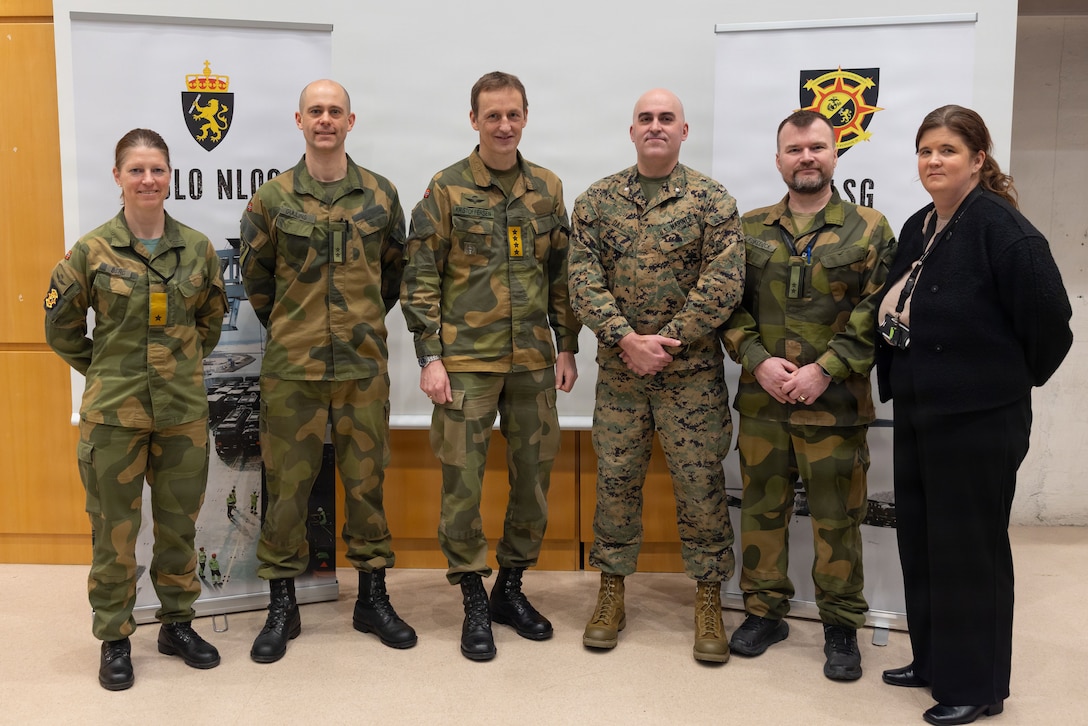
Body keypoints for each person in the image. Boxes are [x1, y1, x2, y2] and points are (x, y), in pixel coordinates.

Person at [875, 105, 1072, 726]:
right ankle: (935, 661)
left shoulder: (1003, 230)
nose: (934, 161)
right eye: (926, 150)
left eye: (948, 151)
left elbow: (1051, 328)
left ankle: (978, 685)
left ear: (978, 160)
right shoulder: (920, 224)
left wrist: (1001, 384)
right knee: (924, 543)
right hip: (920, 409)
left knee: (969, 551)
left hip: (978, 418)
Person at [401, 71, 580, 661]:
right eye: (492, 115)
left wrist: (568, 344)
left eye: (513, 115)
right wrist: (430, 356)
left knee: (533, 480)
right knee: (462, 484)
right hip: (465, 363)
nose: (504, 126)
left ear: (525, 117)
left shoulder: (547, 188)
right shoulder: (446, 189)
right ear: (473, 120)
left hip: (532, 359)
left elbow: (563, 275)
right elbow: (420, 278)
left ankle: (510, 588)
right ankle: (473, 595)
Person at [43, 128, 227, 691]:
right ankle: (116, 638)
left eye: (158, 170)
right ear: (118, 177)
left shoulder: (196, 249)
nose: (148, 180)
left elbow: (210, 324)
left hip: (182, 417)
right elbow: (60, 328)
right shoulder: (91, 251)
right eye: (137, 170)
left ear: (171, 177)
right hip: (114, 419)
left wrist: (172, 370)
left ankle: (176, 624)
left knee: (178, 527)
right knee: (114, 533)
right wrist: (107, 371)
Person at [240, 79, 415, 663]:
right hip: (293, 368)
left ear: (350, 120)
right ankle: (281, 604)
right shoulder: (271, 200)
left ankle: (372, 596)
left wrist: (356, 323)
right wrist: (298, 328)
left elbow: (393, 278)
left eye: (334, 111)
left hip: (362, 365)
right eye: (315, 110)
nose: (324, 119)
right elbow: (258, 283)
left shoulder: (381, 196)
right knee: (287, 488)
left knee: (367, 482)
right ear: (299, 120)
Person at [568, 88, 744, 662]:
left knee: (701, 485)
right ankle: (611, 591)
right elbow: (581, 278)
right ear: (632, 130)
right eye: (645, 118)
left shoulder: (712, 200)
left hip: (689, 375)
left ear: (684, 130)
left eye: (666, 118)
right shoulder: (597, 201)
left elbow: (724, 282)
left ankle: (710, 598)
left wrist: (666, 342)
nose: (655, 126)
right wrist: (625, 339)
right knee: (616, 482)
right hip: (621, 375)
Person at [721, 110, 897, 680]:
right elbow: (727, 307)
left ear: (835, 154)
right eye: (794, 149)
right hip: (763, 402)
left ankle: (841, 625)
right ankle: (764, 612)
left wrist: (826, 368)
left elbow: (879, 311)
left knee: (836, 517)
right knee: (763, 512)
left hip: (836, 406)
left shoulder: (870, 229)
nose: (806, 158)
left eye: (817, 147)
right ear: (778, 160)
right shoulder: (747, 229)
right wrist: (756, 359)